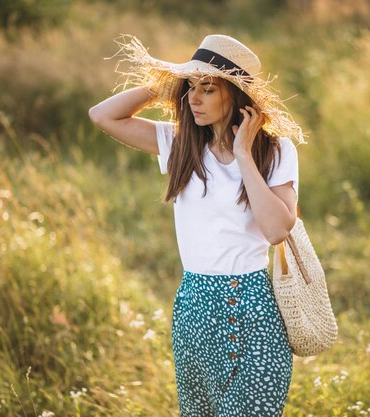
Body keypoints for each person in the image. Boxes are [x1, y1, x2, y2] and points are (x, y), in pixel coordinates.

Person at [89, 33, 304, 417]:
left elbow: (276, 230)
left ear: (236, 96)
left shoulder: (274, 151)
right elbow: (102, 115)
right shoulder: (180, 144)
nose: (194, 99)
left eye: (208, 88)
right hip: (195, 308)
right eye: (191, 88)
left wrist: (242, 155)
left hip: (254, 309)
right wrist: (166, 83)